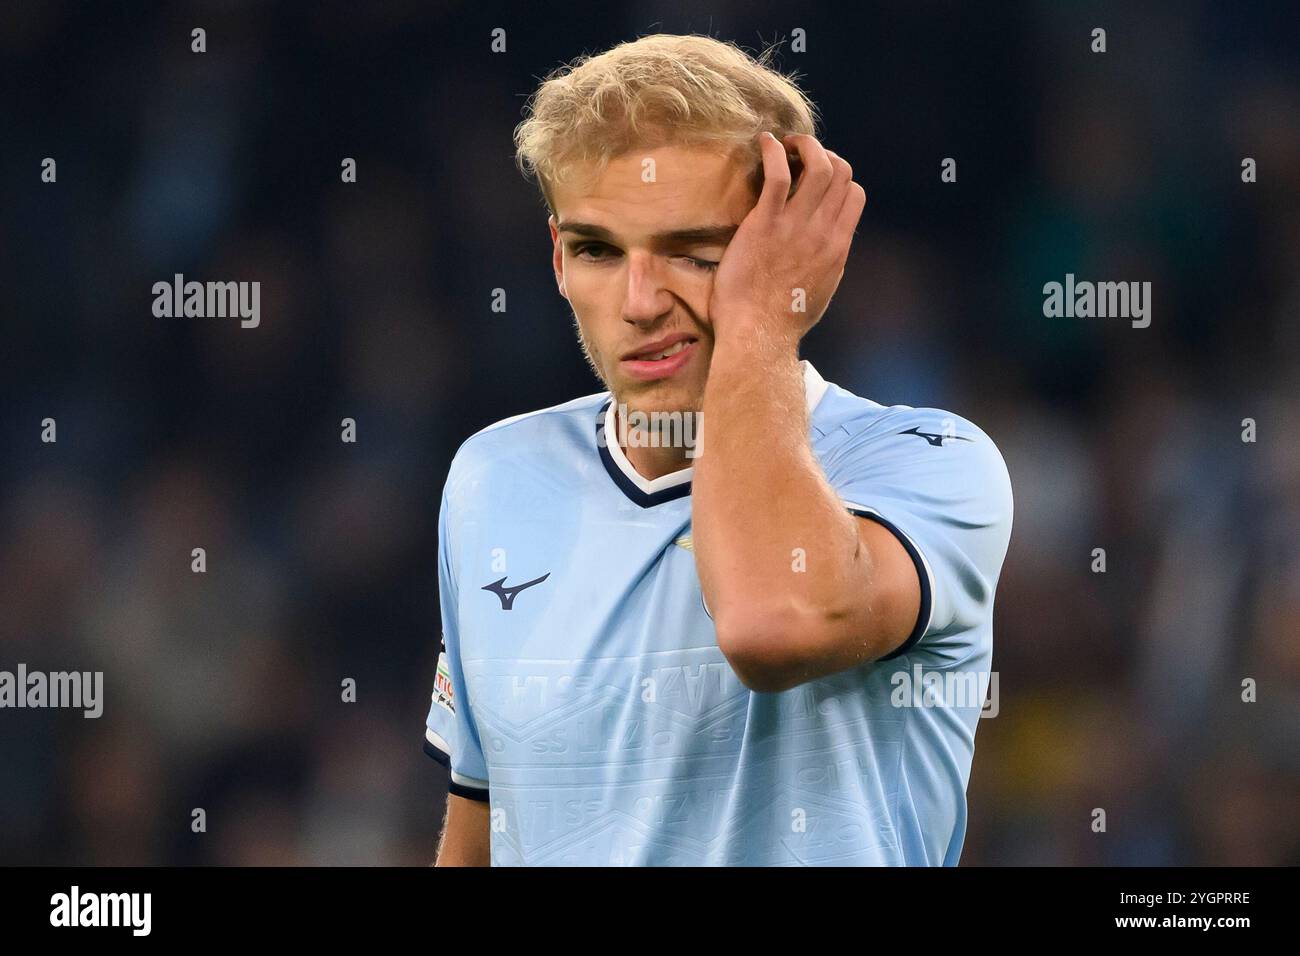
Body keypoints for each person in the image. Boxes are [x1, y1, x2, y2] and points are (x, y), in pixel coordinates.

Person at [424, 33, 1012, 866]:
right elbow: (482, 825)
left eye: (694, 254)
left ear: (786, 252)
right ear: (557, 257)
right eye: (597, 249)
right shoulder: (493, 475)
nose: (638, 302)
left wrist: (763, 321)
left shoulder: (931, 464)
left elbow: (772, 623)